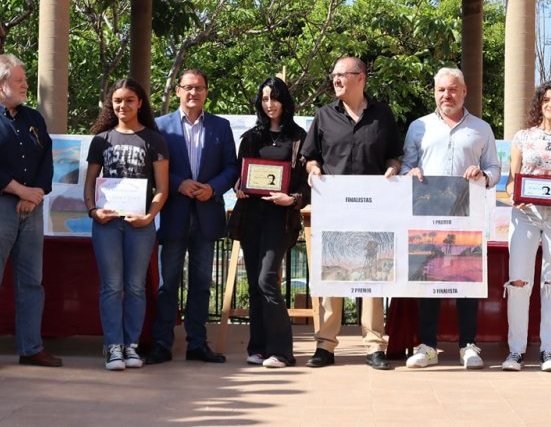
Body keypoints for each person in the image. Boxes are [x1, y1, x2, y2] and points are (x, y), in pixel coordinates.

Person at [0, 53, 62, 372]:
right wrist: (20, 190)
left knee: (32, 281)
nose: (25, 84)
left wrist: (36, 195)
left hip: (30, 209)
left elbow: (46, 158)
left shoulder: (33, 117)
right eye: (19, 80)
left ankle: (31, 347)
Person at [301, 56, 403, 370]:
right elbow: (310, 157)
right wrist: (313, 169)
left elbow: (395, 158)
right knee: (333, 275)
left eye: (341, 75)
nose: (336, 81)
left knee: (373, 278)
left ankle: (374, 346)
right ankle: (325, 346)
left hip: (374, 211)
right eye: (333, 76)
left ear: (360, 77)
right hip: (335, 209)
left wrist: (392, 169)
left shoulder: (383, 115)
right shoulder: (323, 115)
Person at [402, 67, 501, 370]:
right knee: (428, 280)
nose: (447, 95)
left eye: (453, 89)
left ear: (464, 91)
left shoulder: (482, 129)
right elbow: (407, 163)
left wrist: (483, 175)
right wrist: (411, 172)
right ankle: (427, 346)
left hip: (465, 214)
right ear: (435, 93)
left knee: (465, 279)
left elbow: (495, 170)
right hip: (427, 213)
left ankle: (467, 346)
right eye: (441, 90)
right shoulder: (418, 126)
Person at [145, 68, 238, 365]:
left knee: (201, 282)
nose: (193, 93)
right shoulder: (160, 127)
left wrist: (213, 188)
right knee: (168, 282)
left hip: (207, 213)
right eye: (188, 87)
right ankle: (162, 343)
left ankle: (197, 344)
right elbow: (151, 167)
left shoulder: (221, 127)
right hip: (173, 212)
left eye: (199, 88)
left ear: (206, 91)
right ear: (177, 91)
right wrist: (177, 183)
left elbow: (232, 168)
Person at [84, 78, 169, 371]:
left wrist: (149, 216)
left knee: (134, 287)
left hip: (140, 225)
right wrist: (93, 211)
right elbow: (90, 183)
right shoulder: (101, 139)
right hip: (107, 224)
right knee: (111, 287)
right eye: (118, 101)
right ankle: (113, 347)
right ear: (112, 104)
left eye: (129, 100)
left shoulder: (154, 140)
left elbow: (162, 189)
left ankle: (131, 346)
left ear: (140, 103)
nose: (123, 106)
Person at [501, 80, 551, 373]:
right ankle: (516, 351)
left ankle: (549, 349)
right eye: (547, 99)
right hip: (525, 214)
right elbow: (512, 179)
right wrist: (514, 196)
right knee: (519, 281)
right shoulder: (522, 137)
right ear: (540, 103)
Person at [228, 77, 310, 368]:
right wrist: (239, 185)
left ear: (284, 101)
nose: (269, 104)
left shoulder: (299, 137)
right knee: (253, 284)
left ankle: (283, 352)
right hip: (252, 216)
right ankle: (259, 348)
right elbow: (240, 175)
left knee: (267, 280)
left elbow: (306, 183)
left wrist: (293, 198)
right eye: (264, 99)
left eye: (274, 98)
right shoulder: (252, 137)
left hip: (281, 218)